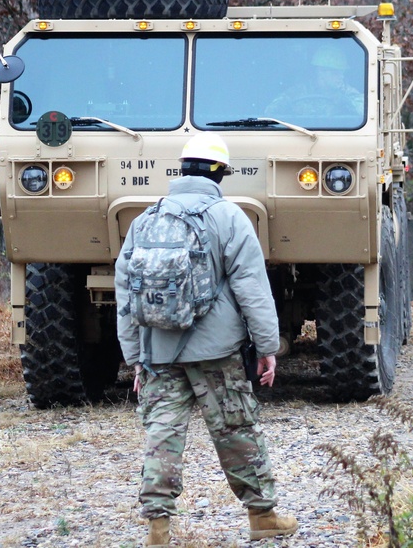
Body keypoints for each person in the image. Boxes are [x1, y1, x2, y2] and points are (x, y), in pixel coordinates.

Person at [115, 132, 298, 546]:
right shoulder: (229, 217)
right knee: (237, 431)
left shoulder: (146, 219)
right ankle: (261, 517)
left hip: (158, 351)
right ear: (220, 173)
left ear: (180, 170)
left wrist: (135, 358)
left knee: (161, 436)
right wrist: (267, 347)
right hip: (217, 353)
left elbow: (126, 292)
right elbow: (253, 288)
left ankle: (158, 529)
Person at [266, 42, 364, 118]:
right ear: (321, 72)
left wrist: (344, 98)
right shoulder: (299, 91)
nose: (341, 77)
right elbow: (270, 112)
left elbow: (364, 111)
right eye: (336, 72)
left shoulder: (347, 91)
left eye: (342, 72)